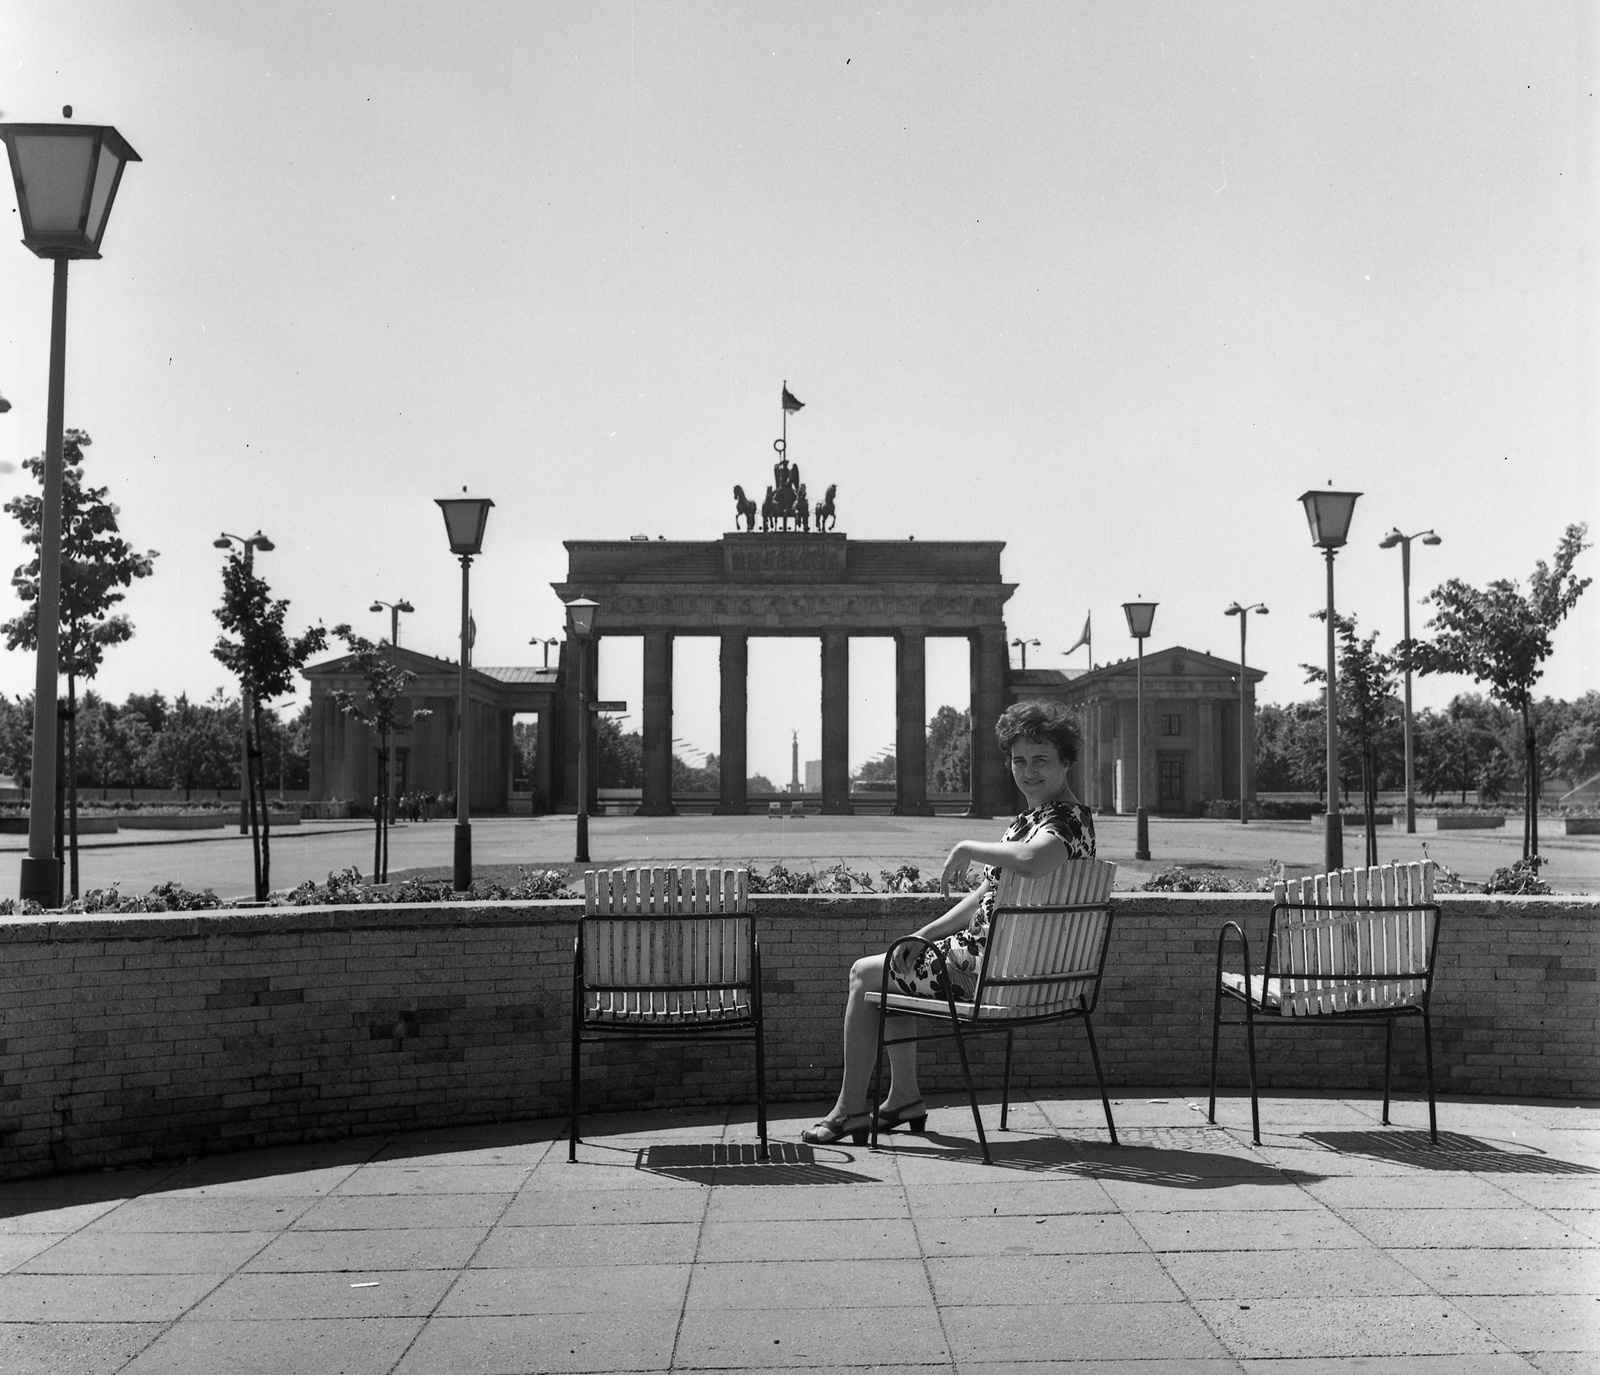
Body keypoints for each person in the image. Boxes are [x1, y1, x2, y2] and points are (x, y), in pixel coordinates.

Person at [801, 699, 1096, 1145]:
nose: (1028, 771)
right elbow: (983, 896)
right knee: (898, 962)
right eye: (1019, 760)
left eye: (1041, 759)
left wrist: (967, 847)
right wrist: (922, 935)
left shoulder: (1064, 822)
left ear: (1066, 762)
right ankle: (903, 1099)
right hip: (1024, 971)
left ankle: (850, 1109)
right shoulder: (1039, 820)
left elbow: (1033, 861)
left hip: (994, 974)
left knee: (864, 975)